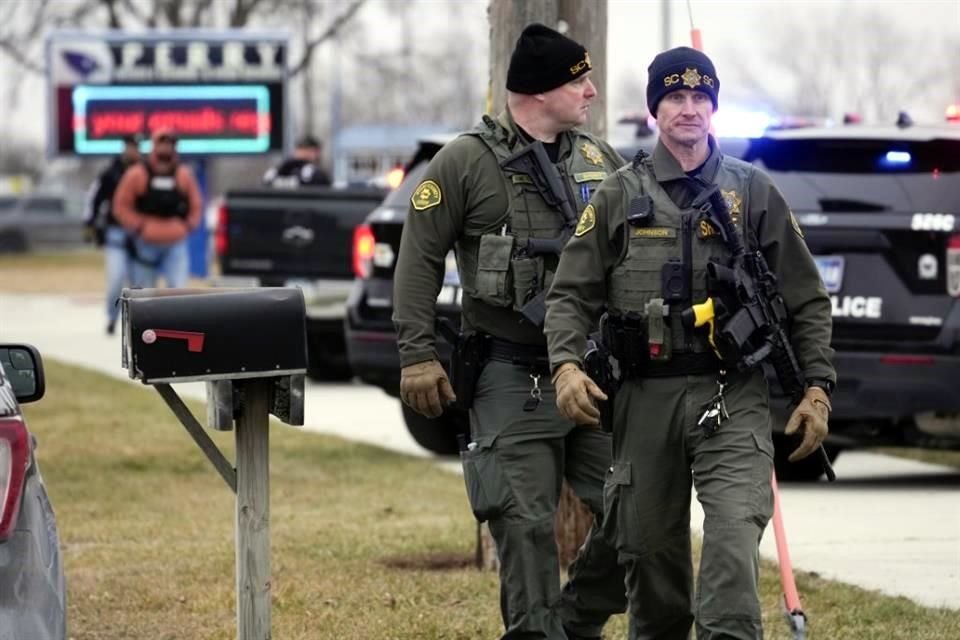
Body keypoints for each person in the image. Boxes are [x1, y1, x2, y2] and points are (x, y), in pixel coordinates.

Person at [544, 46, 836, 639]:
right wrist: (567, 366)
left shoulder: (751, 192)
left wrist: (817, 388)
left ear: (713, 108)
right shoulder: (620, 195)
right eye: (675, 97)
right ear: (655, 110)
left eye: (701, 97)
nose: (689, 109)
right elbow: (569, 294)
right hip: (643, 398)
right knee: (651, 556)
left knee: (732, 535)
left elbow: (807, 298)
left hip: (732, 396)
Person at [393, 23, 627, 640]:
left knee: (636, 510)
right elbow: (418, 258)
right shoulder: (465, 161)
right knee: (523, 525)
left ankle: (574, 621)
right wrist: (417, 354)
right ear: (538, 91)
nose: (592, 92)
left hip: (592, 370)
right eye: (579, 81)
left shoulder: (600, 161)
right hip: (509, 372)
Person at [112, 128, 203, 289]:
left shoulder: (183, 175)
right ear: (154, 145)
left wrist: (187, 225)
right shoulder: (137, 174)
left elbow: (196, 205)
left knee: (178, 290)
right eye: (162, 143)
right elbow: (121, 206)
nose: (166, 148)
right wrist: (140, 225)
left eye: (170, 144)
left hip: (175, 242)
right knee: (144, 293)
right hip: (146, 243)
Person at [82, 134, 141, 334]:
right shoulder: (111, 173)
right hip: (115, 233)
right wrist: (90, 225)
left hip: (139, 235)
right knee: (116, 279)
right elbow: (94, 199)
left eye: (135, 146)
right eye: (129, 146)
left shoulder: (145, 172)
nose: (132, 150)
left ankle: (137, 323)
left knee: (138, 283)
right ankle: (112, 317)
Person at [262, 135, 332, 187]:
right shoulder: (281, 169)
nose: (304, 153)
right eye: (301, 149)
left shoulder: (315, 172)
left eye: (308, 150)